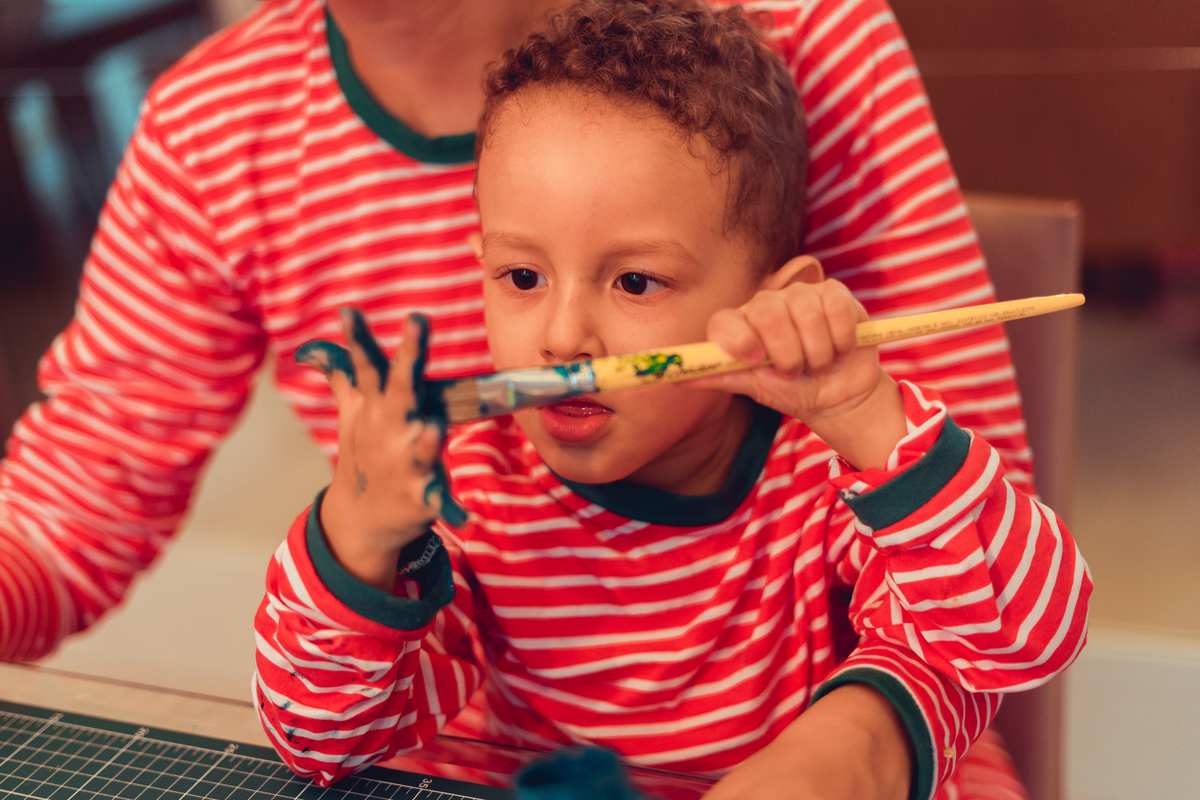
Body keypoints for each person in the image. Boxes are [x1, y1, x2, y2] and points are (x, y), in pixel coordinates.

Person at [253, 4, 1091, 800]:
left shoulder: (828, 477)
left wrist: (866, 413)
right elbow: (321, 739)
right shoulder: (474, 494)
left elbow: (1028, 637)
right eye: (521, 276)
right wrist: (354, 540)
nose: (562, 336)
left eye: (636, 280)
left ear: (769, 300)